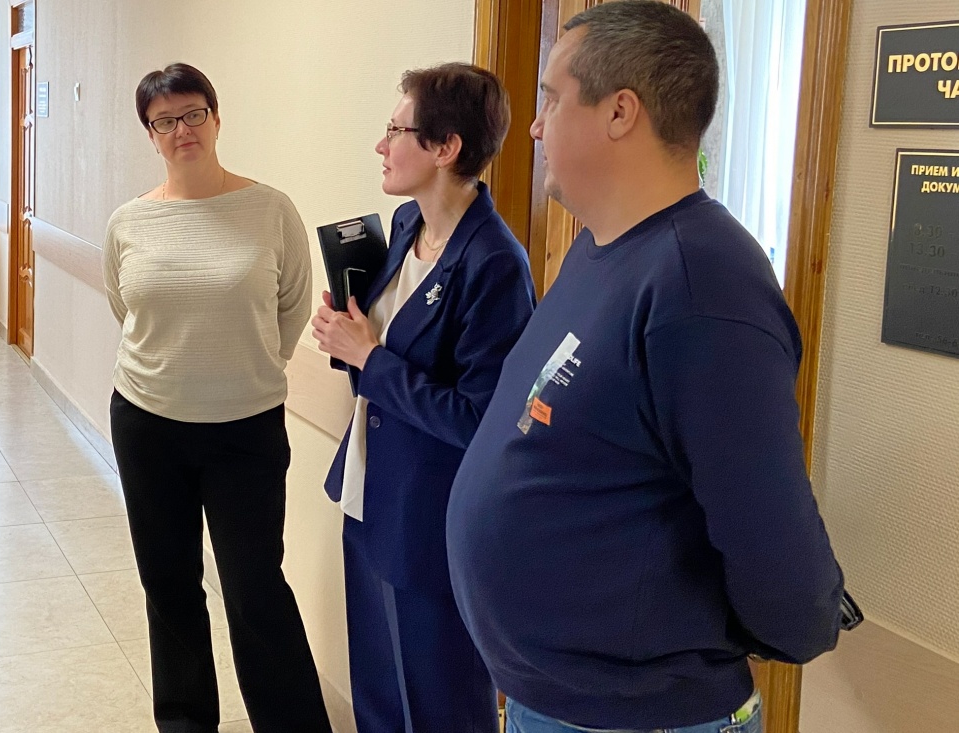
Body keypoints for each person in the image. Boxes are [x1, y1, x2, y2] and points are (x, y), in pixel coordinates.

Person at [446, 3, 845, 732]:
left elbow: (773, 543)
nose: (534, 126)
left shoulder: (702, 282)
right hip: (558, 701)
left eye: (551, 99)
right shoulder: (600, 249)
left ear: (620, 112)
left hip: (642, 714)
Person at [102, 63, 331, 733]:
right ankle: (184, 721)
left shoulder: (271, 210)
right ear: (150, 134)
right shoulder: (129, 222)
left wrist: (241, 371)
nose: (182, 130)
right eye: (164, 120)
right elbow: (128, 310)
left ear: (216, 117)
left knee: (255, 588)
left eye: (193, 113)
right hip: (147, 422)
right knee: (168, 584)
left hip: (245, 429)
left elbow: (290, 309)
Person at [311, 62, 534, 733]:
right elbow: (383, 349)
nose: (381, 145)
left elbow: (479, 419)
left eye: (396, 131)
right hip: (370, 494)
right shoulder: (407, 224)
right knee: (378, 695)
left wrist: (369, 358)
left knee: (441, 706)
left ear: (446, 148)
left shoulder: (494, 264)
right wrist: (348, 335)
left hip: (431, 520)